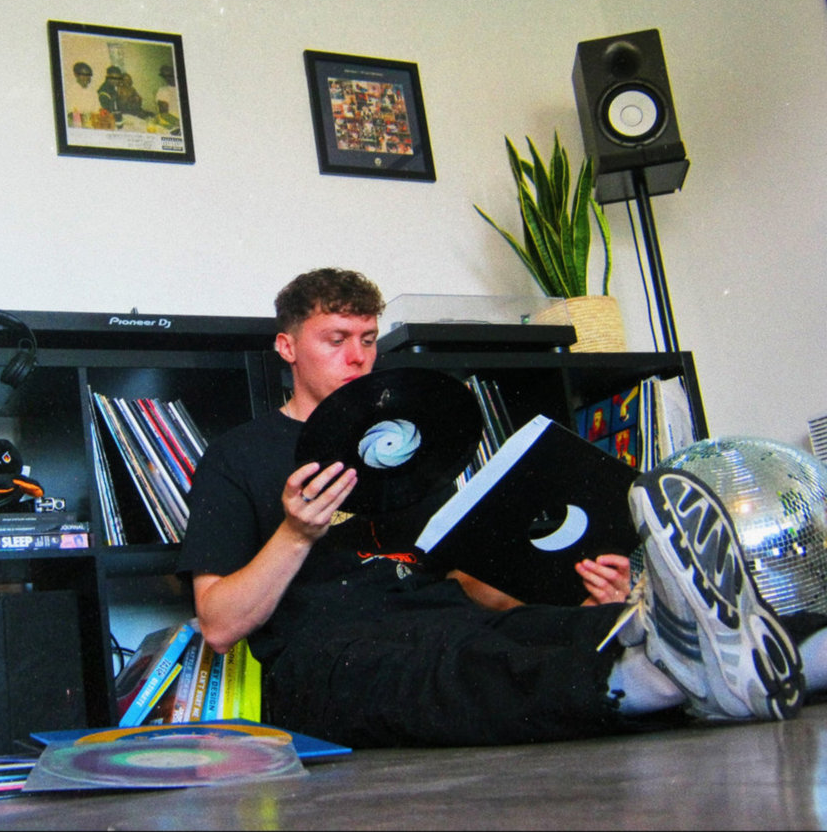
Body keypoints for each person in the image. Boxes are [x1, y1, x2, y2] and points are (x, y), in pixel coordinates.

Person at [177, 267, 826, 748]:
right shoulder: (237, 457)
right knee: (460, 671)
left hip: (446, 619)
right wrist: (296, 532)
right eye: (336, 338)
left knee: (565, 630)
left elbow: (467, 583)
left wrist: (577, 599)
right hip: (327, 662)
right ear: (287, 347)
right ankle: (658, 677)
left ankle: (768, 648)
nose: (358, 356)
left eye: (368, 338)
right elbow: (220, 624)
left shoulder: (403, 440)